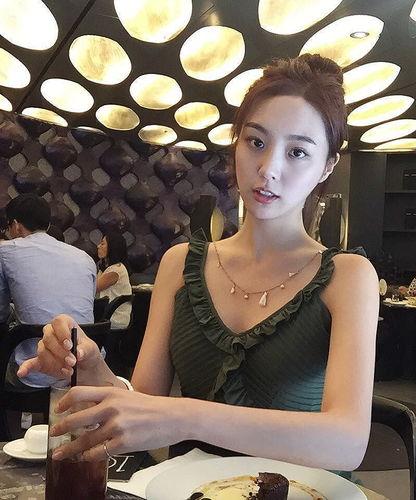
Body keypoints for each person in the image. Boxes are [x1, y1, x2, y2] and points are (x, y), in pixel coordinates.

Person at [18, 54, 379, 471]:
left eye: (298, 152)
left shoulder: (348, 276)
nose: (268, 169)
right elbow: (145, 406)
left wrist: (187, 416)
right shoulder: (181, 264)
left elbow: (347, 442)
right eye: (256, 142)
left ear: (327, 167)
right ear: (236, 143)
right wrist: (90, 366)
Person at [0, 193, 96, 389]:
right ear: (48, 225)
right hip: (88, 368)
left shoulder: (5, 252)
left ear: (16, 225)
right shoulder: (84, 257)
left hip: (34, 370)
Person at [96, 230, 132, 329]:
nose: (98, 246)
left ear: (112, 247)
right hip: (109, 316)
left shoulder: (116, 270)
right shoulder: (109, 268)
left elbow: (93, 288)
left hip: (114, 318)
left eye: (102, 244)